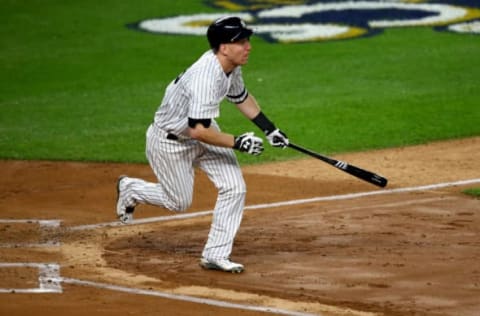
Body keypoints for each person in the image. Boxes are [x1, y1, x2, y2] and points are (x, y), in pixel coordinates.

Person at [116, 16, 289, 273]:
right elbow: (198, 131)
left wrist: (269, 128)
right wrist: (238, 142)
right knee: (178, 202)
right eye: (241, 41)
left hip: (204, 131)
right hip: (170, 141)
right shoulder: (205, 78)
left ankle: (215, 254)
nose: (248, 46)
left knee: (234, 188)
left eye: (247, 39)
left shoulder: (230, 67)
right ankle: (130, 189)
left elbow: (240, 97)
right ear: (223, 47)